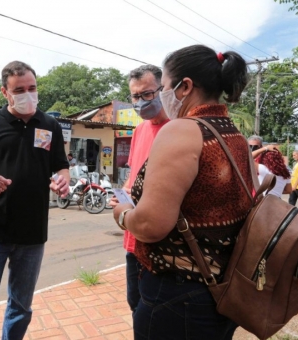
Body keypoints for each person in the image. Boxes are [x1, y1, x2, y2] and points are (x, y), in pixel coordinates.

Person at [113, 45, 253, 339]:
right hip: (223, 287)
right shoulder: (233, 135)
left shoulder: (181, 131)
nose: (161, 96)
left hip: (178, 294)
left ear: (185, 87)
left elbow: (151, 226)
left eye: (162, 87)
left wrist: (123, 214)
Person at [0, 61, 70, 340]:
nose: (27, 94)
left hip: (32, 234)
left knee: (21, 308)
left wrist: (62, 179)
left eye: (32, 88)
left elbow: (61, 165)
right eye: (19, 89)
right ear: (5, 92)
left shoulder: (50, 125)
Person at [116, 64, 169, 315]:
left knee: (155, 314)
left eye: (147, 94)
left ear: (163, 89)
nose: (140, 102)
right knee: (134, 303)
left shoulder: (179, 129)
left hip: (162, 242)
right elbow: (133, 178)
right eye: (135, 96)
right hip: (133, 238)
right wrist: (120, 197)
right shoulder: (139, 130)